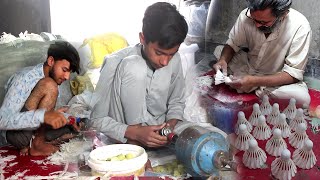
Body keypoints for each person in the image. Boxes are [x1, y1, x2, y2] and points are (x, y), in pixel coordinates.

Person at [90, 2, 189, 148]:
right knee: (134, 66)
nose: (165, 62)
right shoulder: (115, 62)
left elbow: (176, 102)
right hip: (126, 137)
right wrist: (136, 133)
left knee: (206, 137)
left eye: (171, 54)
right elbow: (96, 120)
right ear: (142, 38)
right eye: (159, 53)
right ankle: (136, 144)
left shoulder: (174, 60)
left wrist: (168, 128)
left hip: (159, 133)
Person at [212, 0, 311, 106]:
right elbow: (232, 43)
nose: (257, 25)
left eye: (264, 22)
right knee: (219, 51)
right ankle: (250, 85)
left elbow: (293, 74)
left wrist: (254, 81)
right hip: (249, 66)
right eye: (254, 19)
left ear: (283, 14)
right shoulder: (246, 15)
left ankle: (253, 86)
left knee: (301, 99)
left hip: (275, 77)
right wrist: (223, 60)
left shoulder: (301, 26)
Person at [0, 41, 81, 156]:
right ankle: (37, 145)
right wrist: (43, 115)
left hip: (33, 132)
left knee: (73, 130)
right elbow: (2, 120)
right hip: (13, 135)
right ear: (51, 61)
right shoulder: (24, 78)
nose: (67, 77)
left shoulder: (52, 78)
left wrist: (66, 118)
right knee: (49, 85)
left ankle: (33, 144)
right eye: (64, 70)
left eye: (69, 72)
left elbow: (43, 111)